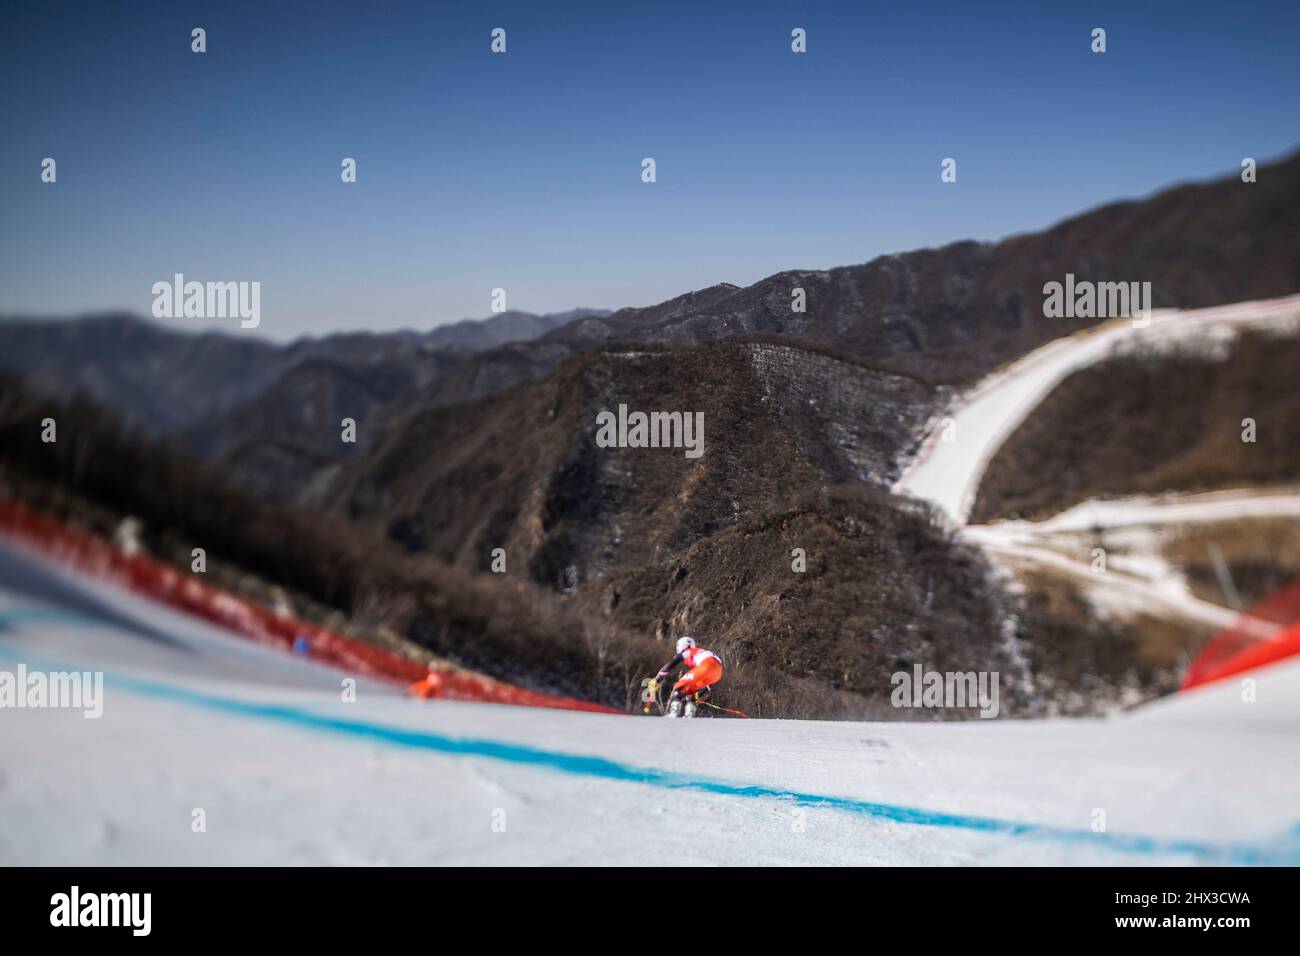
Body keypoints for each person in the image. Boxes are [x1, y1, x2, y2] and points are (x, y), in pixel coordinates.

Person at [656, 636, 723, 717]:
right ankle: (690, 712)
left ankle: (674, 712)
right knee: (690, 689)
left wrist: (658, 678)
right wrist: (704, 691)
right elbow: (709, 677)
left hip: (706, 665)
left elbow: (671, 664)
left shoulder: (687, 651)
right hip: (718, 672)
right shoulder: (701, 651)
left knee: (679, 686)